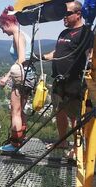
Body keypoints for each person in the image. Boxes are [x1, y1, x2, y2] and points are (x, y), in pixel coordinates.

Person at [41, 1, 93, 156]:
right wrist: (40, 57)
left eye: (67, 13)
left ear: (79, 14)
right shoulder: (63, 34)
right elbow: (57, 53)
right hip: (58, 80)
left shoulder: (86, 34)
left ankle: (77, 150)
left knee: (76, 116)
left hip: (75, 82)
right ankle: (62, 141)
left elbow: (90, 54)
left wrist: (90, 60)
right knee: (59, 111)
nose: (64, 16)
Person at [0, 6, 36, 152]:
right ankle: (20, 140)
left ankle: (15, 144)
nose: (3, 31)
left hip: (22, 75)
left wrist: (6, 77)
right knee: (20, 111)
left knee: (15, 111)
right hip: (28, 75)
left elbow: (20, 59)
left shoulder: (17, 35)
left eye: (2, 27)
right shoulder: (22, 33)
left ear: (7, 23)